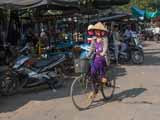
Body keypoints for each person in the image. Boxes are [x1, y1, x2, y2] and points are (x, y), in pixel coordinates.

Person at [88, 22, 108, 98]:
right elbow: (92, 48)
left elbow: (105, 47)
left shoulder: (105, 38)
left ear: (101, 31)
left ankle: (103, 76)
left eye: (98, 31)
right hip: (96, 56)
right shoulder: (94, 39)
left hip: (103, 57)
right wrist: (88, 54)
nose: (97, 32)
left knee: (99, 61)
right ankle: (94, 90)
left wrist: (103, 53)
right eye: (95, 31)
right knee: (92, 72)